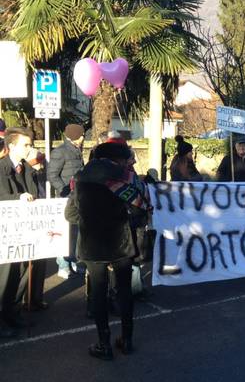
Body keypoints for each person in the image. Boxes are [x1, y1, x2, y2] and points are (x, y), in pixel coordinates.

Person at [65, 142, 149, 360]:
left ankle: (104, 344)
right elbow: (140, 209)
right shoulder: (125, 179)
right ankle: (127, 340)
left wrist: (89, 222)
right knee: (124, 291)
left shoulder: (80, 178)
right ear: (118, 159)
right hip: (121, 242)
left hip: (92, 244)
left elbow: (70, 214)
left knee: (99, 293)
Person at [0, 128, 38, 338]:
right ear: (12, 145)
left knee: (23, 272)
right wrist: (18, 199)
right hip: (7, 234)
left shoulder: (29, 170)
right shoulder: (0, 168)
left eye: (30, 144)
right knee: (5, 277)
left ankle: (12, 313)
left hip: (27, 231)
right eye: (26, 144)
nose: (29, 148)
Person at [48, 123, 85, 279]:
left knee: (76, 232)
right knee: (64, 233)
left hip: (77, 198)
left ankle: (74, 261)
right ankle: (63, 265)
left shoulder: (77, 151)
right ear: (77, 136)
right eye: (82, 135)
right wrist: (64, 191)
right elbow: (52, 175)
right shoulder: (60, 152)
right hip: (66, 199)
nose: (84, 138)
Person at [19, 149, 50, 311]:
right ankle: (24, 300)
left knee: (41, 263)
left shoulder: (43, 175)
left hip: (43, 222)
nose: (41, 166)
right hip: (28, 224)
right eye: (38, 162)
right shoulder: (24, 175)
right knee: (27, 266)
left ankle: (37, 297)